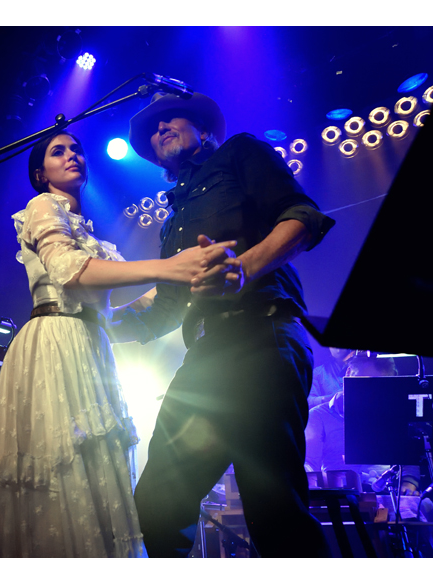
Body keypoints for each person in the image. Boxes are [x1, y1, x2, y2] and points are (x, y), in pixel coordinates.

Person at [0, 130, 238, 558]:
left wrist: (191, 281)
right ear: (40, 173)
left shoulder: (89, 232)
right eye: (59, 152)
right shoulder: (42, 206)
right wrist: (170, 268)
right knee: (61, 462)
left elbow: (122, 305)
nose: (72, 155)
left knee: (92, 464)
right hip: (54, 340)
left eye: (76, 149)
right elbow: (70, 271)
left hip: (90, 345)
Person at [111, 91, 337, 557]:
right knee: (155, 503)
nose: (159, 130)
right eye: (151, 131)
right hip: (205, 360)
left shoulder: (241, 152)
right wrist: (93, 323)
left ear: (204, 128)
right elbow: (164, 309)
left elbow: (302, 217)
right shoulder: (172, 223)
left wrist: (244, 269)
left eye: (168, 119)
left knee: (274, 511)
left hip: (262, 336)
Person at [305, 351, 420, 495]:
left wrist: (408, 483)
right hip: (341, 496)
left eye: (380, 387)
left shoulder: (393, 415)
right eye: (366, 383)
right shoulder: (318, 416)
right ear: (348, 373)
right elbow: (309, 465)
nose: (372, 393)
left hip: (387, 497)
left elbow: (407, 458)